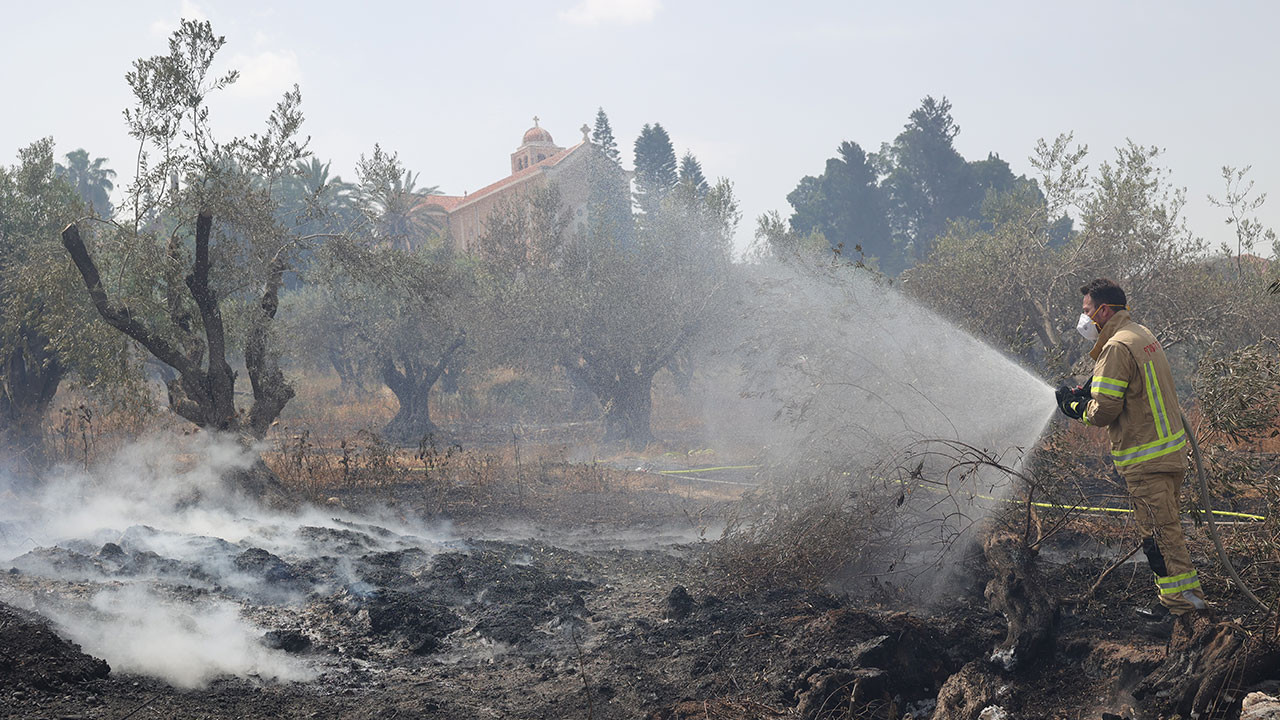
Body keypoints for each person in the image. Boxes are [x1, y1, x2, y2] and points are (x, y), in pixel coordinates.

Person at [1057, 278, 1208, 618]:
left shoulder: (1115, 347)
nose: (1083, 318)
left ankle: (1185, 610)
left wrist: (1075, 408)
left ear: (1103, 311)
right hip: (1167, 456)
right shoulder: (1139, 335)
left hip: (1146, 460)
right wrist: (1090, 390)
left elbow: (1104, 412)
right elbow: (1129, 389)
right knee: (1163, 534)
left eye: (1086, 310)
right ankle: (1176, 602)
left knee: (1162, 539)